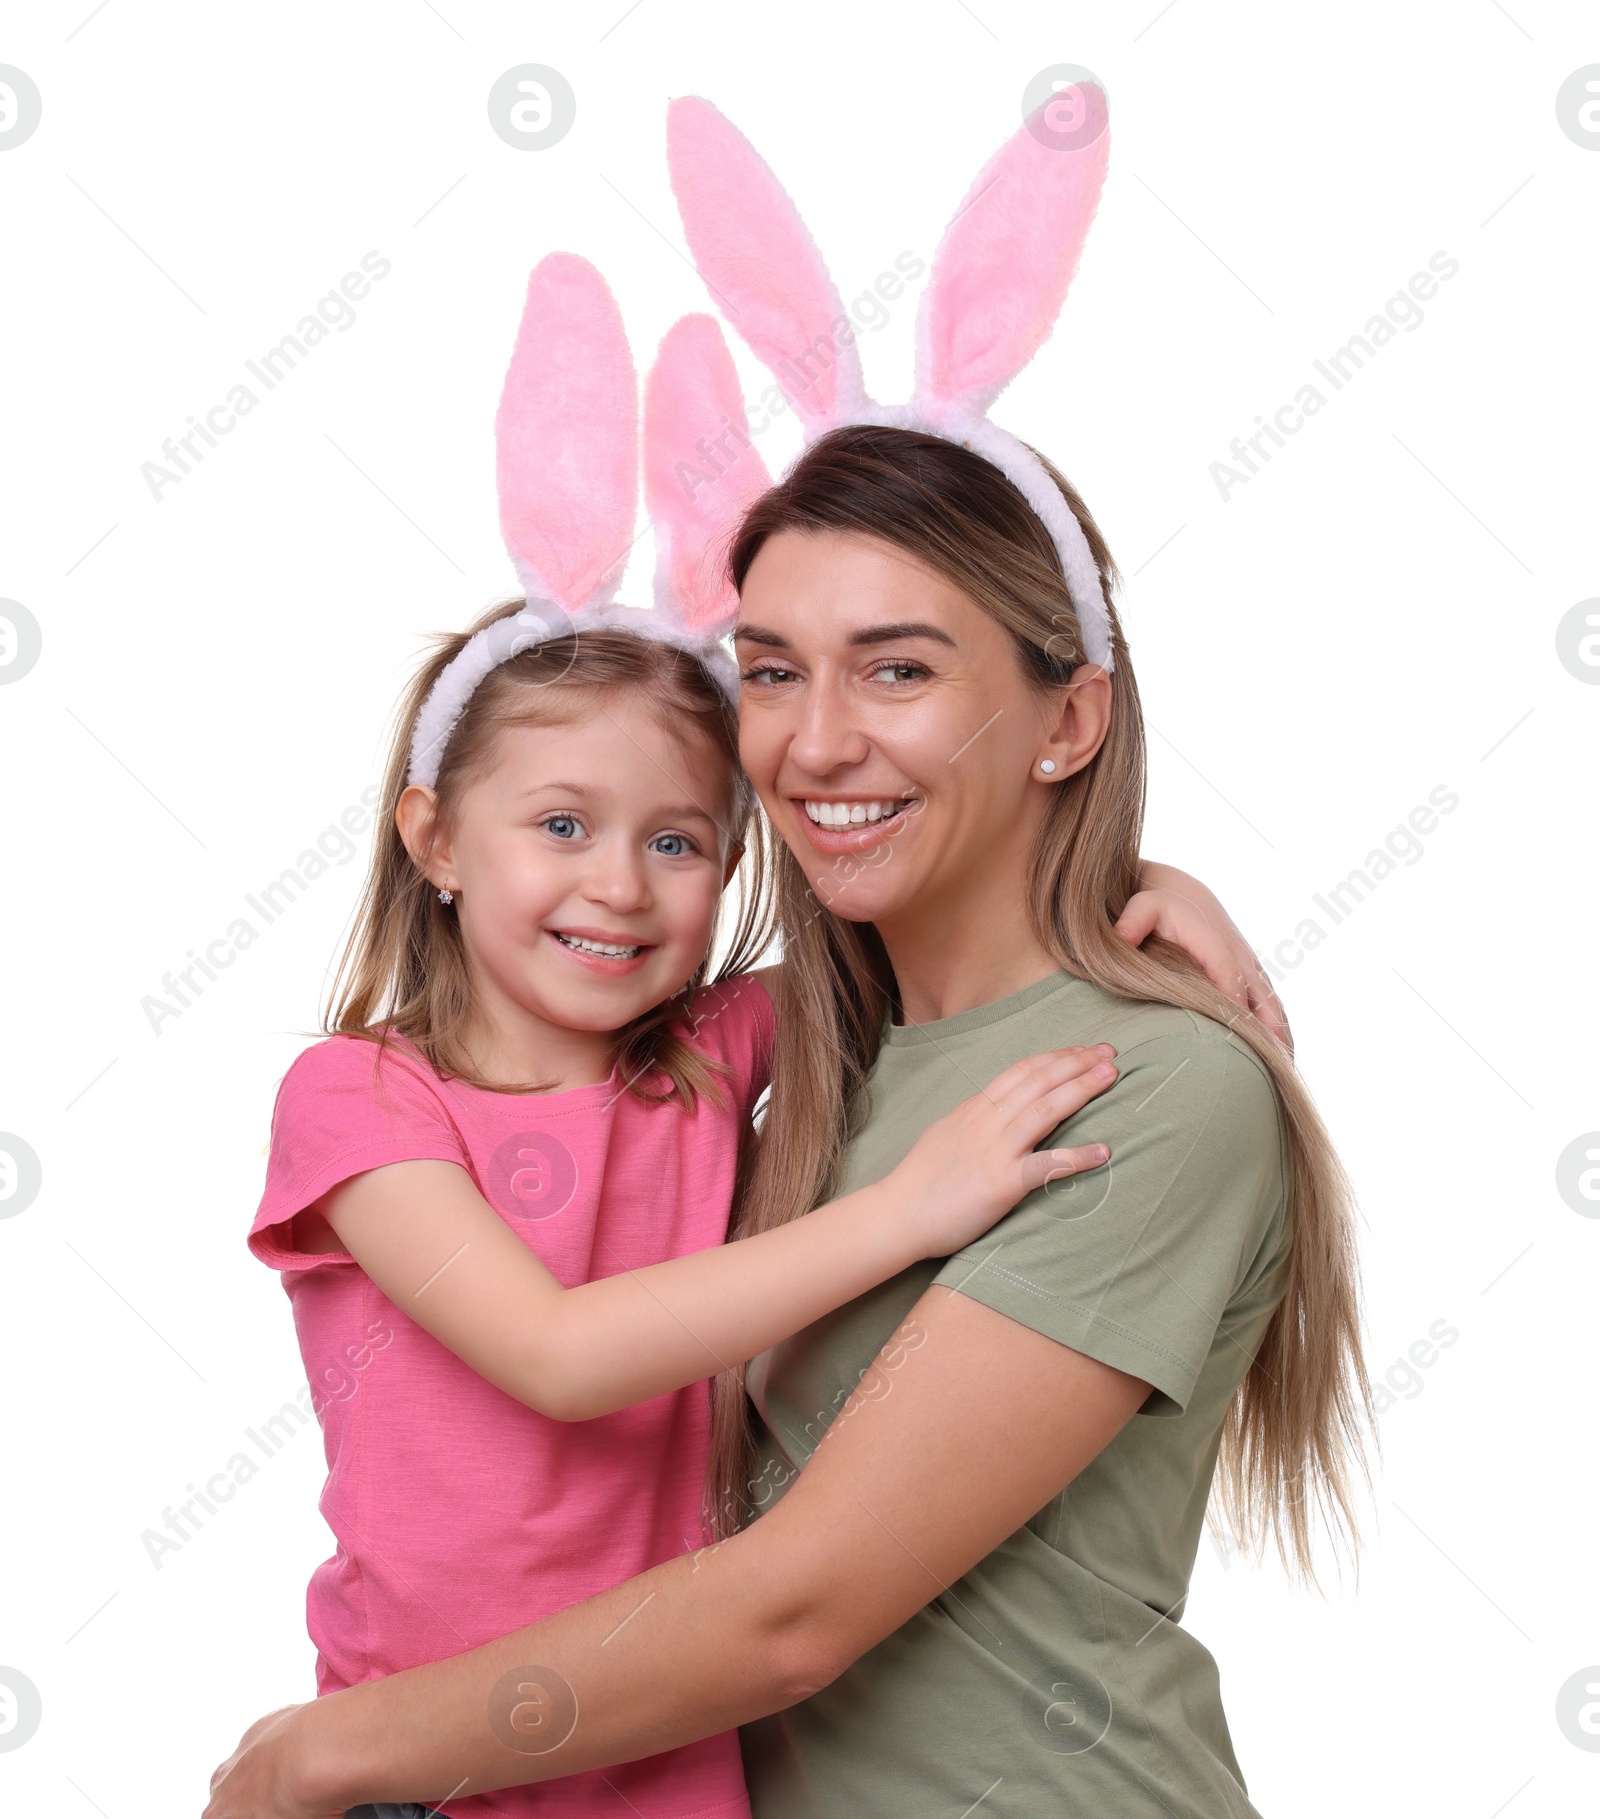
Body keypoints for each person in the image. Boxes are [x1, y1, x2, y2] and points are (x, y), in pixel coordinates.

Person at [221, 246, 1268, 1819]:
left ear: (1069, 717)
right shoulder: (802, 1071)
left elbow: (787, 1614)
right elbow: (572, 1372)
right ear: (433, 838)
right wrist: (1135, 880)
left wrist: (323, 1753)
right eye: (773, 672)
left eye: (899, 668)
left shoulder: (1123, 1089)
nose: (819, 738)